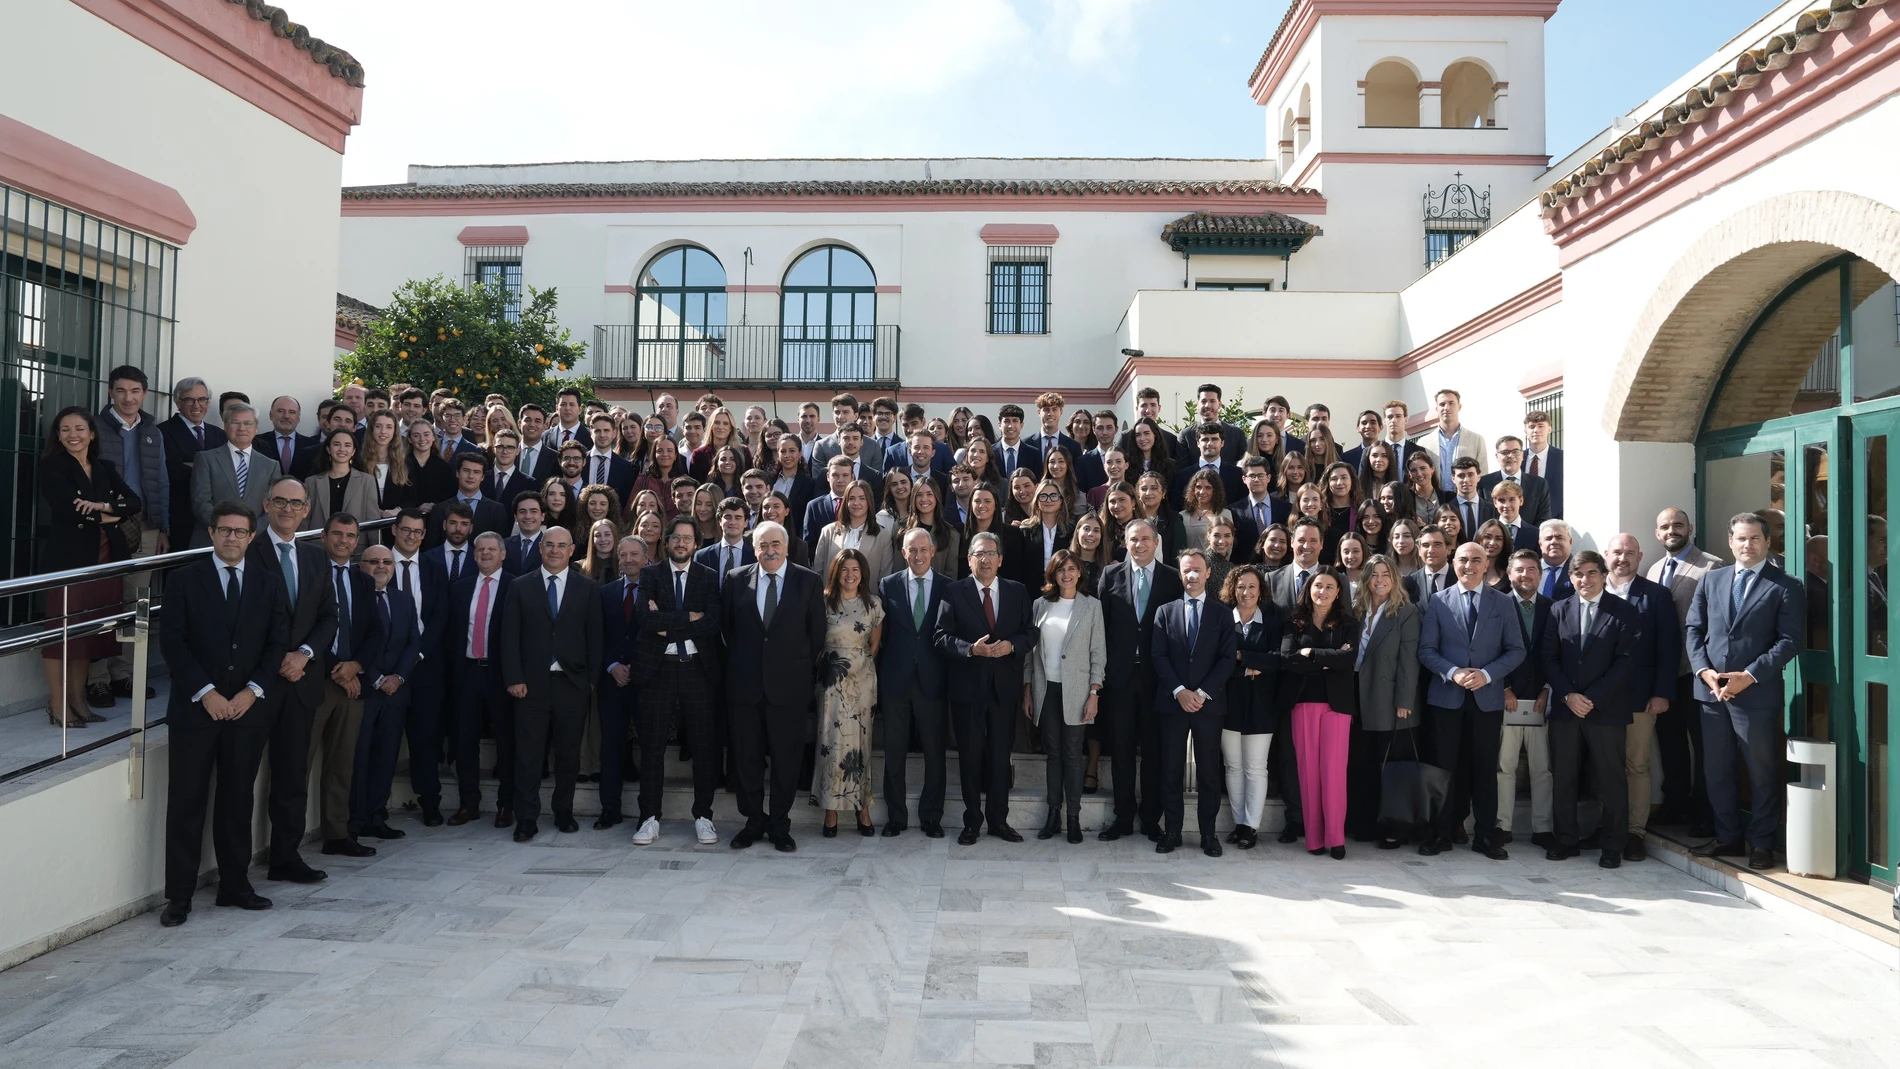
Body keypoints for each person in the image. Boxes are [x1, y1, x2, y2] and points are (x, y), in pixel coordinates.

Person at [157, 501, 290, 927]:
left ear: (252, 537)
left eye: (240, 531)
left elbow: (276, 644)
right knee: (186, 803)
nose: (232, 537)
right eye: (225, 530)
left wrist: (252, 692)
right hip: (196, 712)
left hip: (247, 712)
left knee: (237, 800)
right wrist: (206, 693)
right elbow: (173, 644)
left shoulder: (269, 585)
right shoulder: (182, 581)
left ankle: (235, 885)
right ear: (211, 533)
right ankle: (178, 896)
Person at [1686, 512, 1805, 870]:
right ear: (1730, 542)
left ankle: (1762, 843)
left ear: (1768, 542)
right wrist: (1704, 671)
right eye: (1741, 538)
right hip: (1711, 693)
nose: (1747, 545)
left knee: (1762, 772)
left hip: (1756, 695)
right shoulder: (1713, 580)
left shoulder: (1786, 585)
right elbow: (1694, 629)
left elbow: (1790, 641)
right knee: (1717, 770)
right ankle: (1727, 838)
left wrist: (1749, 676)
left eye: (1755, 538)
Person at [1417, 539, 1526, 859]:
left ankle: (1485, 836)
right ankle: (1439, 834)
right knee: (1442, 769)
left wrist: (1487, 675)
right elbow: (1426, 650)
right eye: (1463, 559)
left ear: (1486, 564)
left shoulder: (1504, 603)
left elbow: (1517, 650)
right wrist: (1452, 672)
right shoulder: (1438, 601)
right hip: (1446, 698)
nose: (1469, 565)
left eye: (1476, 560)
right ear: (1454, 563)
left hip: (1487, 699)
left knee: (1484, 770)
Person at [721, 520, 826, 852]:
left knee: (786, 760)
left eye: (775, 545)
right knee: (747, 760)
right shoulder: (736, 580)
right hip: (745, 687)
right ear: (754, 549)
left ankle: (780, 824)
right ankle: (753, 822)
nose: (769, 551)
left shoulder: (808, 581)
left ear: (786, 547)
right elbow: (727, 631)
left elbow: (817, 636)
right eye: (762, 545)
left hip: (789, 688)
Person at [37, 407, 141, 727]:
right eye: (65, 429)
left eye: (80, 428)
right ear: (58, 435)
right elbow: (69, 510)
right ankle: (57, 704)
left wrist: (102, 507)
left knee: (87, 637)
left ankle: (78, 701)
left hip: (105, 560)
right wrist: (112, 512)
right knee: (61, 637)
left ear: (91, 434)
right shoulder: (53, 465)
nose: (73, 435)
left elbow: (134, 503)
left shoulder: (104, 467)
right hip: (69, 561)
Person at [935, 530, 1038, 845]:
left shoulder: (1017, 591)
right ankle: (972, 823)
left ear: (1001, 559)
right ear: (969, 560)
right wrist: (970, 649)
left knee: (998, 757)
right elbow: (940, 636)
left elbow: (1030, 633)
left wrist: (1010, 646)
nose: (985, 559)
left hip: (1003, 690)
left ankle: (999, 821)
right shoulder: (954, 592)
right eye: (979, 553)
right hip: (968, 689)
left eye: (991, 553)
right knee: (969, 757)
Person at [501, 524, 603, 842]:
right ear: (540, 548)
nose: (555, 550)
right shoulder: (520, 586)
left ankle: (563, 812)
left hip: (572, 684)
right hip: (530, 686)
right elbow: (509, 637)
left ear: (572, 550)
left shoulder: (588, 589)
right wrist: (514, 678)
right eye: (549, 544)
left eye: (562, 545)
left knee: (568, 754)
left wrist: (590, 682)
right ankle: (527, 818)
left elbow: (595, 639)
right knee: (528, 754)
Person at [1541, 551, 1640, 868]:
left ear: (1603, 574)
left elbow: (1626, 663)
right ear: (1570, 577)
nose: (1585, 579)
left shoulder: (1624, 611)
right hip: (1566, 710)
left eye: (1592, 573)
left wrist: (1591, 698)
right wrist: (1569, 695)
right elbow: (1549, 658)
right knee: (1565, 776)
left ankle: (1613, 844)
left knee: (1611, 779)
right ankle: (1565, 840)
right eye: (1578, 573)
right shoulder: (1558, 610)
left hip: (1606, 710)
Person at [632, 516, 723, 845]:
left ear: (696, 543)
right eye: (676, 538)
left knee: (703, 746)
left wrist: (665, 621)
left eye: (687, 538)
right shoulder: (650, 574)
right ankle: (649, 817)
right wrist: (688, 617)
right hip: (658, 669)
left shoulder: (709, 577)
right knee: (653, 746)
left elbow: (712, 622)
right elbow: (644, 616)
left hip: (698, 668)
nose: (681, 543)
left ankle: (703, 816)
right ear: (666, 542)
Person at [1096, 519, 1182, 841]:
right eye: (1134, 539)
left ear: (1156, 542)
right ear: (1126, 542)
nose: (1140, 544)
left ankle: (1150, 818)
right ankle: (1122, 817)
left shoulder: (1172, 579)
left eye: (1146, 538)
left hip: (1157, 679)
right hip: (1119, 677)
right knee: (1120, 750)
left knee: (1153, 752)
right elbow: (1101, 627)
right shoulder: (1110, 575)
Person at [1149, 548, 1238, 856]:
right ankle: (1172, 831)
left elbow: (1227, 659)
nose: (1192, 575)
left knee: (1209, 773)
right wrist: (1179, 691)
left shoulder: (1222, 613)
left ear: (1208, 573)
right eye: (1187, 570)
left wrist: (1200, 693)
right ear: (1180, 574)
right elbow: (1158, 656)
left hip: (1208, 706)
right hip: (1173, 704)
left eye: (1198, 570)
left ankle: (1208, 834)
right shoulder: (1165, 611)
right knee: (1170, 769)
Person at [92, 366, 169, 704]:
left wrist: (164, 526)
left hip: (146, 525)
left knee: (135, 603)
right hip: (106, 525)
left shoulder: (152, 430)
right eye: (121, 390)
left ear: (144, 394)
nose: (128, 397)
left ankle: (124, 674)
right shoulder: (93, 427)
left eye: (135, 391)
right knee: (102, 600)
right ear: (111, 392)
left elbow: (162, 480)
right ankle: (97, 678)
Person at [310, 513, 382, 859]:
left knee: (342, 764)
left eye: (350, 536)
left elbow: (374, 633)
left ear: (357, 541)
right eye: (337, 534)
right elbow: (303, 630)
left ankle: (337, 835)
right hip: (315, 682)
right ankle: (285, 844)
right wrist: (337, 670)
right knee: (300, 763)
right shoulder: (310, 575)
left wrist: (355, 668)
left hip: (352, 685)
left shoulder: (363, 581)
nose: (343, 541)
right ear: (324, 537)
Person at [1647, 507, 1723, 832]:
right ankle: (1674, 803)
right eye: (1665, 526)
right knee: (1670, 744)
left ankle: (1706, 812)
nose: (1671, 530)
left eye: (1678, 525)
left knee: (1705, 747)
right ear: (1657, 533)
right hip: (1666, 676)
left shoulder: (1713, 566)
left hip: (1699, 673)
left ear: (1689, 528)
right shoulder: (1653, 569)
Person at [1605, 532, 1680, 861]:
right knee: (1605, 766)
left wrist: (1662, 692)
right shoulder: (1589, 589)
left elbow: (1669, 648)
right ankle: (1609, 826)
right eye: (1617, 552)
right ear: (1606, 554)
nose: (1623, 558)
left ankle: (1635, 832)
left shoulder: (1657, 596)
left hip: (1639, 697)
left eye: (1630, 553)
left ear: (1640, 557)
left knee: (1637, 765)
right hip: (1598, 699)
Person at [1026, 550, 1105, 844]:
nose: (1066, 574)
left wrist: (1094, 693)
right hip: (1046, 688)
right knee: (1053, 754)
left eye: (1071, 568)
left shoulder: (1092, 607)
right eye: (1061, 570)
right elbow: (1030, 654)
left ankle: (1073, 817)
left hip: (1078, 691)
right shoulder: (1040, 606)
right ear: (1053, 574)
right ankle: (1052, 816)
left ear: (1080, 573)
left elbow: (1098, 654)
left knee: (1073, 754)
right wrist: (1027, 688)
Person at [878, 529, 951, 838]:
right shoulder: (888, 585)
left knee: (935, 752)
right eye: (912, 550)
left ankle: (931, 817)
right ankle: (896, 817)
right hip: (896, 680)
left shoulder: (949, 586)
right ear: (903, 553)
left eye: (924, 549)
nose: (918, 555)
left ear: (932, 551)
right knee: (894, 751)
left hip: (933, 681)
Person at [346, 544, 420, 845]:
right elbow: (353, 642)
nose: (381, 567)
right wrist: (377, 677)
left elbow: (413, 641)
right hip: (364, 690)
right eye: (373, 561)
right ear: (360, 565)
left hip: (395, 692)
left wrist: (399, 677)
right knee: (358, 758)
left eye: (387, 562)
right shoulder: (353, 598)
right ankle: (354, 821)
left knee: (386, 757)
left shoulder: (403, 600)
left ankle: (377, 817)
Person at [1350, 555, 1421, 849]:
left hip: (1390, 699)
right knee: (1362, 764)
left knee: (1393, 768)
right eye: (1374, 574)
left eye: (1386, 574)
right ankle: (1365, 825)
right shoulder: (1356, 610)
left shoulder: (1406, 612)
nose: (1380, 580)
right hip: (1355, 695)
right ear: (1366, 579)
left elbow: (1409, 661)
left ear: (1395, 579)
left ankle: (1394, 829)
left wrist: (1404, 700)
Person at [445, 533, 515, 827]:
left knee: (507, 741)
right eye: (480, 550)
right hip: (467, 672)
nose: (485, 554)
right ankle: (468, 804)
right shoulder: (459, 588)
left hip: (501, 675)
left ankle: (506, 805)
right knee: (465, 741)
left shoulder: (517, 586)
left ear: (503, 554)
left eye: (491, 549)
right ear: (473, 555)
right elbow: (451, 633)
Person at [814, 549, 884, 837]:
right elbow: (815, 643)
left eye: (855, 569)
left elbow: (874, 645)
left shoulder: (874, 604)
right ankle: (830, 812)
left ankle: (862, 810)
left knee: (861, 747)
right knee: (830, 745)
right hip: (831, 685)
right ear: (836, 572)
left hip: (863, 686)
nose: (850, 574)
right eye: (845, 569)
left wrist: (858, 672)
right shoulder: (822, 602)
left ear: (863, 573)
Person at [1495, 549, 1556, 851]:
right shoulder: (1497, 605)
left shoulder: (1552, 608)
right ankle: (1502, 825)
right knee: (1504, 767)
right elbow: (1490, 650)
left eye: (1532, 569)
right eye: (1519, 570)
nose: (1526, 575)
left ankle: (1542, 828)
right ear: (1509, 573)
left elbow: (1555, 653)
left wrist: (1548, 688)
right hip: (1507, 699)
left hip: (1540, 701)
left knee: (1542, 768)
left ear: (1540, 574)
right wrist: (1504, 688)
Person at [1218, 565, 1281, 848]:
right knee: (1232, 766)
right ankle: (1238, 821)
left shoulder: (1273, 618)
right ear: (1232, 589)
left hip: (1262, 705)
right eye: (1241, 587)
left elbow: (1279, 659)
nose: (1246, 592)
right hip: (1228, 703)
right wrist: (1248, 667)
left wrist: (1242, 655)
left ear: (1261, 590)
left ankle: (1251, 826)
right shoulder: (1221, 619)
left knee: (1255, 767)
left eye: (1252, 586)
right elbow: (1217, 662)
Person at [596, 534, 649, 830]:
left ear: (645, 558)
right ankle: (609, 809)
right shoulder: (606, 592)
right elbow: (597, 634)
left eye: (634, 555)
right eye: (623, 555)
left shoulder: (658, 590)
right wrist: (612, 665)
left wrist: (636, 666)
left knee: (650, 749)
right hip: (612, 683)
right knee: (611, 748)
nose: (628, 560)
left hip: (645, 682)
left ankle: (648, 812)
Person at [189, 403, 277, 548]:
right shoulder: (205, 459)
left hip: (255, 542)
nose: (242, 428)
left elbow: (273, 507)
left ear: (256, 428)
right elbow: (201, 502)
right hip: (212, 541)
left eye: (248, 423)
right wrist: (225, 530)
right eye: (235, 422)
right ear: (225, 426)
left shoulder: (271, 465)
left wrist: (250, 531)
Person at [159, 376, 222, 554]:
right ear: (178, 403)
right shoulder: (162, 432)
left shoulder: (219, 434)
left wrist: (192, 465)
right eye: (189, 400)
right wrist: (212, 469)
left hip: (213, 521)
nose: (197, 405)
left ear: (208, 403)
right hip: (179, 519)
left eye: (202, 399)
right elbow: (171, 472)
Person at [301, 429, 379, 534]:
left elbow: (372, 521)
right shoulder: (311, 482)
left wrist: (374, 548)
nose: (342, 449)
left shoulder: (367, 481)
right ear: (328, 449)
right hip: (317, 545)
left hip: (356, 546)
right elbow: (305, 520)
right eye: (337, 444)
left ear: (353, 451)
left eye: (347, 445)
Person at [813, 479, 892, 582]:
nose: (856, 503)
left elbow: (884, 577)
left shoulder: (883, 536)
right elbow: (818, 570)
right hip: (832, 596)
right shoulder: (828, 532)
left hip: (868, 596)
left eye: (862, 498)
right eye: (851, 498)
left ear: (869, 502)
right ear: (846, 502)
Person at [1478, 435, 1552, 528]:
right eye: (1505, 452)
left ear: (1522, 455)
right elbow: (1481, 517)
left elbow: (1544, 518)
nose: (1511, 456)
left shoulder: (1539, 484)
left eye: (1515, 451)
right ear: (1497, 457)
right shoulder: (1483, 483)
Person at [1537, 520, 1576, 600]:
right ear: (1540, 544)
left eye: (1559, 538)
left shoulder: (1579, 572)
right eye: (1548, 538)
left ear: (1570, 542)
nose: (1554, 542)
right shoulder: (1529, 570)